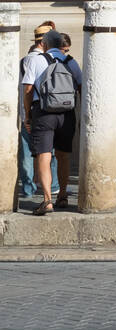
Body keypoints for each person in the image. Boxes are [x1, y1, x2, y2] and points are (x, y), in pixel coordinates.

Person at [20, 28, 81, 214]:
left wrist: (28, 115)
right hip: (67, 113)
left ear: (44, 44)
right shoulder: (71, 61)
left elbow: (28, 90)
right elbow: (81, 86)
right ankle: (62, 194)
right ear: (61, 45)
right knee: (63, 155)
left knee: (44, 155)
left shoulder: (36, 59)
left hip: (44, 112)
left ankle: (47, 200)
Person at [18, 22, 58, 201]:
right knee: (49, 152)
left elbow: (26, 90)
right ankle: (54, 186)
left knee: (29, 151)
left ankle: (28, 188)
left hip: (35, 112)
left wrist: (26, 115)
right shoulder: (51, 59)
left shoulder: (28, 60)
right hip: (53, 111)